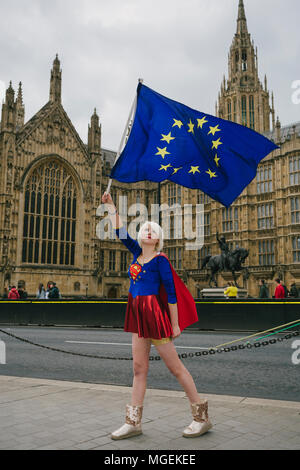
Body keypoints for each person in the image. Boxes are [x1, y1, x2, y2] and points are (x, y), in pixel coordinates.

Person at [102, 191, 212, 440]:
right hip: (137, 316)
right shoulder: (136, 253)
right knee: (139, 369)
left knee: (176, 369)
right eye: (145, 229)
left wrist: (174, 324)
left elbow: (171, 294)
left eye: (153, 230)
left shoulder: (161, 260)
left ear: (158, 239)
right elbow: (120, 231)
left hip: (156, 317)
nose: (148, 231)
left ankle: (201, 418)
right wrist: (109, 206)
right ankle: (133, 423)